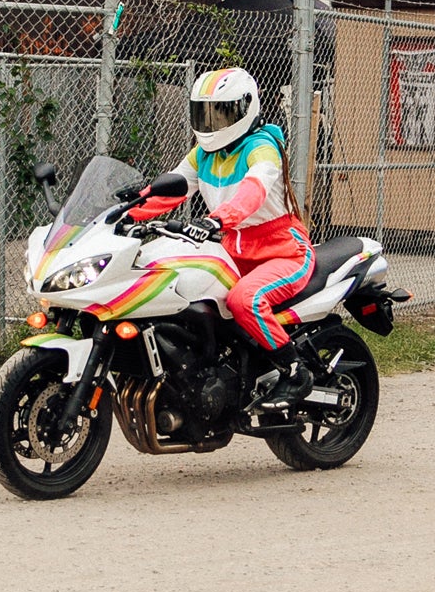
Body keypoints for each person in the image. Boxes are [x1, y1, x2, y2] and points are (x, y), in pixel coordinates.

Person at [127, 67, 315, 405]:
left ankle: (295, 370)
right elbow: (175, 186)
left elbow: (254, 189)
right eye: (205, 113)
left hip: (284, 252)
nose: (212, 123)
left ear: (246, 108)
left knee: (245, 300)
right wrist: (125, 212)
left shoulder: (262, 147)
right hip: (231, 252)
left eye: (222, 113)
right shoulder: (204, 154)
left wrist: (218, 220)